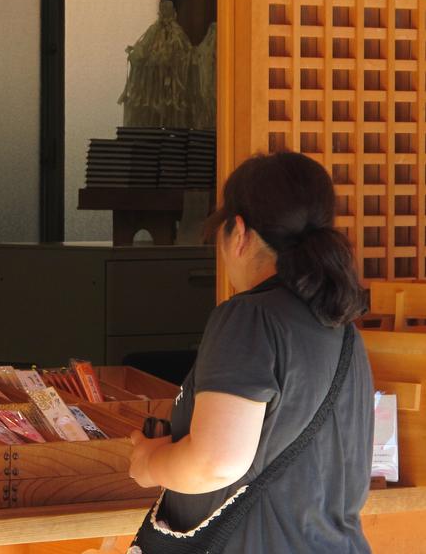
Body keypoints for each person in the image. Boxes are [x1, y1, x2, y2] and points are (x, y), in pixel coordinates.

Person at [128, 152, 374, 552]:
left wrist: (150, 463)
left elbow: (216, 463)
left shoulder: (250, 318)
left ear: (239, 232)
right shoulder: (342, 330)